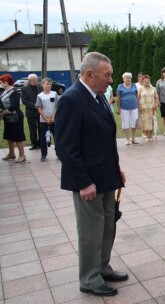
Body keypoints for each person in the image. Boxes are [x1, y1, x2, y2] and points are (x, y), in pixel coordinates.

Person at [55, 52, 127, 297]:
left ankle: (102, 267)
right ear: (89, 74)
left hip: (106, 176)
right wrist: (84, 182)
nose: (110, 80)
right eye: (107, 75)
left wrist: (116, 169)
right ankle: (89, 278)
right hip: (88, 181)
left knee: (108, 225)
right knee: (90, 231)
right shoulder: (71, 100)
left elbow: (104, 140)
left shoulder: (98, 97)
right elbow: (65, 148)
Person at [0, 74, 26, 163]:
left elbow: (14, 106)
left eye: (2, 82)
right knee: (9, 135)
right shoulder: (5, 91)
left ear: (6, 82)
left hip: (16, 116)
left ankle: (22, 155)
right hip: (8, 117)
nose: (1, 84)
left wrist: (3, 113)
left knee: (17, 136)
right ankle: (11, 153)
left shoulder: (14, 92)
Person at [36, 78, 59, 161]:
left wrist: (53, 117)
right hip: (44, 120)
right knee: (43, 138)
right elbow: (39, 108)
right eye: (47, 84)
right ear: (42, 84)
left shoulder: (54, 94)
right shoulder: (40, 96)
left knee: (57, 136)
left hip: (53, 120)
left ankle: (58, 153)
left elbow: (56, 106)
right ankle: (43, 154)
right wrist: (46, 118)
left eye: (50, 84)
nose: (48, 86)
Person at [21, 73, 42, 150]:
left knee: (41, 128)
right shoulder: (24, 89)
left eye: (36, 80)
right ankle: (34, 143)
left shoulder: (40, 87)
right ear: (29, 80)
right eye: (33, 80)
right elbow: (24, 101)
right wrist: (34, 105)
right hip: (31, 112)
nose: (35, 81)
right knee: (32, 129)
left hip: (40, 112)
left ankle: (41, 143)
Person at [116, 72, 139, 145]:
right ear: (123, 79)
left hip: (134, 107)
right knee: (125, 123)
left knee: (134, 122)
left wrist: (139, 106)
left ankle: (133, 138)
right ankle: (127, 139)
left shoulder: (134, 85)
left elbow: (137, 96)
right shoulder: (120, 86)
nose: (128, 79)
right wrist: (118, 108)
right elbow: (118, 98)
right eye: (126, 78)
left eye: (129, 78)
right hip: (124, 108)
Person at [138, 75, 159, 141]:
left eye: (148, 80)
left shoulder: (153, 88)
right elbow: (138, 98)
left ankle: (151, 135)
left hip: (152, 108)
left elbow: (156, 97)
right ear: (143, 82)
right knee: (145, 122)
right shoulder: (140, 89)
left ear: (150, 81)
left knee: (152, 122)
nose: (146, 82)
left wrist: (156, 105)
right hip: (144, 109)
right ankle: (147, 136)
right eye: (145, 81)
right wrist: (139, 106)